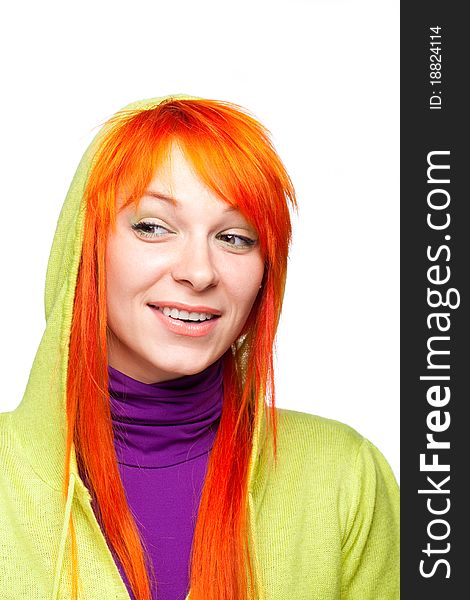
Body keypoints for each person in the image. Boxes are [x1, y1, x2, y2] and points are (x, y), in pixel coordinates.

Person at [0, 94, 400, 600]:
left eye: (235, 238)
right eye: (152, 227)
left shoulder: (346, 475)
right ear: (86, 244)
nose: (199, 272)